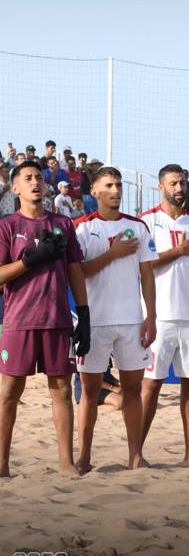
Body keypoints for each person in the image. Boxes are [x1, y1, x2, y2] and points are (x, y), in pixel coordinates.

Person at [0, 161, 90, 477]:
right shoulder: (7, 226)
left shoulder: (64, 224)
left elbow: (76, 271)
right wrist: (30, 259)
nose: (36, 182)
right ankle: (1, 465)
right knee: (9, 393)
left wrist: (85, 314)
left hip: (58, 321)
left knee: (62, 391)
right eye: (27, 178)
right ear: (15, 188)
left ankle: (65, 463)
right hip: (19, 321)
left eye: (39, 177)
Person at [74, 166, 157, 471]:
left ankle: (135, 455)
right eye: (109, 185)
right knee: (90, 392)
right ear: (94, 192)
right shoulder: (81, 228)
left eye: (119, 184)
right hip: (93, 321)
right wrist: (112, 253)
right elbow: (77, 274)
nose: (116, 190)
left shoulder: (138, 226)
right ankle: (84, 457)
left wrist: (152, 316)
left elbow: (147, 275)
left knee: (134, 389)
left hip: (131, 320)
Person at [139, 164, 189, 462]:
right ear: (161, 187)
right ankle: (137, 452)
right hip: (159, 316)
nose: (180, 188)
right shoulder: (146, 222)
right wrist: (176, 251)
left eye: (183, 182)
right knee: (151, 384)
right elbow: (141, 267)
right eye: (173, 183)